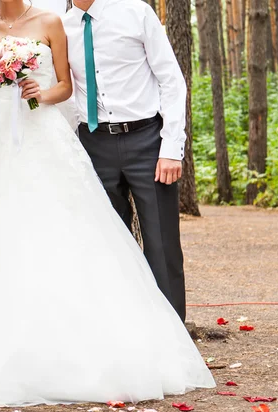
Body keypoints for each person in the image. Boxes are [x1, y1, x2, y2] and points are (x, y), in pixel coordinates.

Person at [0, 0, 215, 405]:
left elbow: (77, 83)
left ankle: (164, 337)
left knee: (140, 240)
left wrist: (39, 94)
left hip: (95, 135)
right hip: (29, 137)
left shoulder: (78, 19)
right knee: (16, 235)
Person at [63, 0, 188, 322]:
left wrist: (171, 147)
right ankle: (123, 328)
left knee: (162, 245)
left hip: (146, 140)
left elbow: (172, 80)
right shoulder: (63, 27)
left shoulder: (136, 12)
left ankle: (173, 334)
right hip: (93, 144)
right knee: (106, 244)